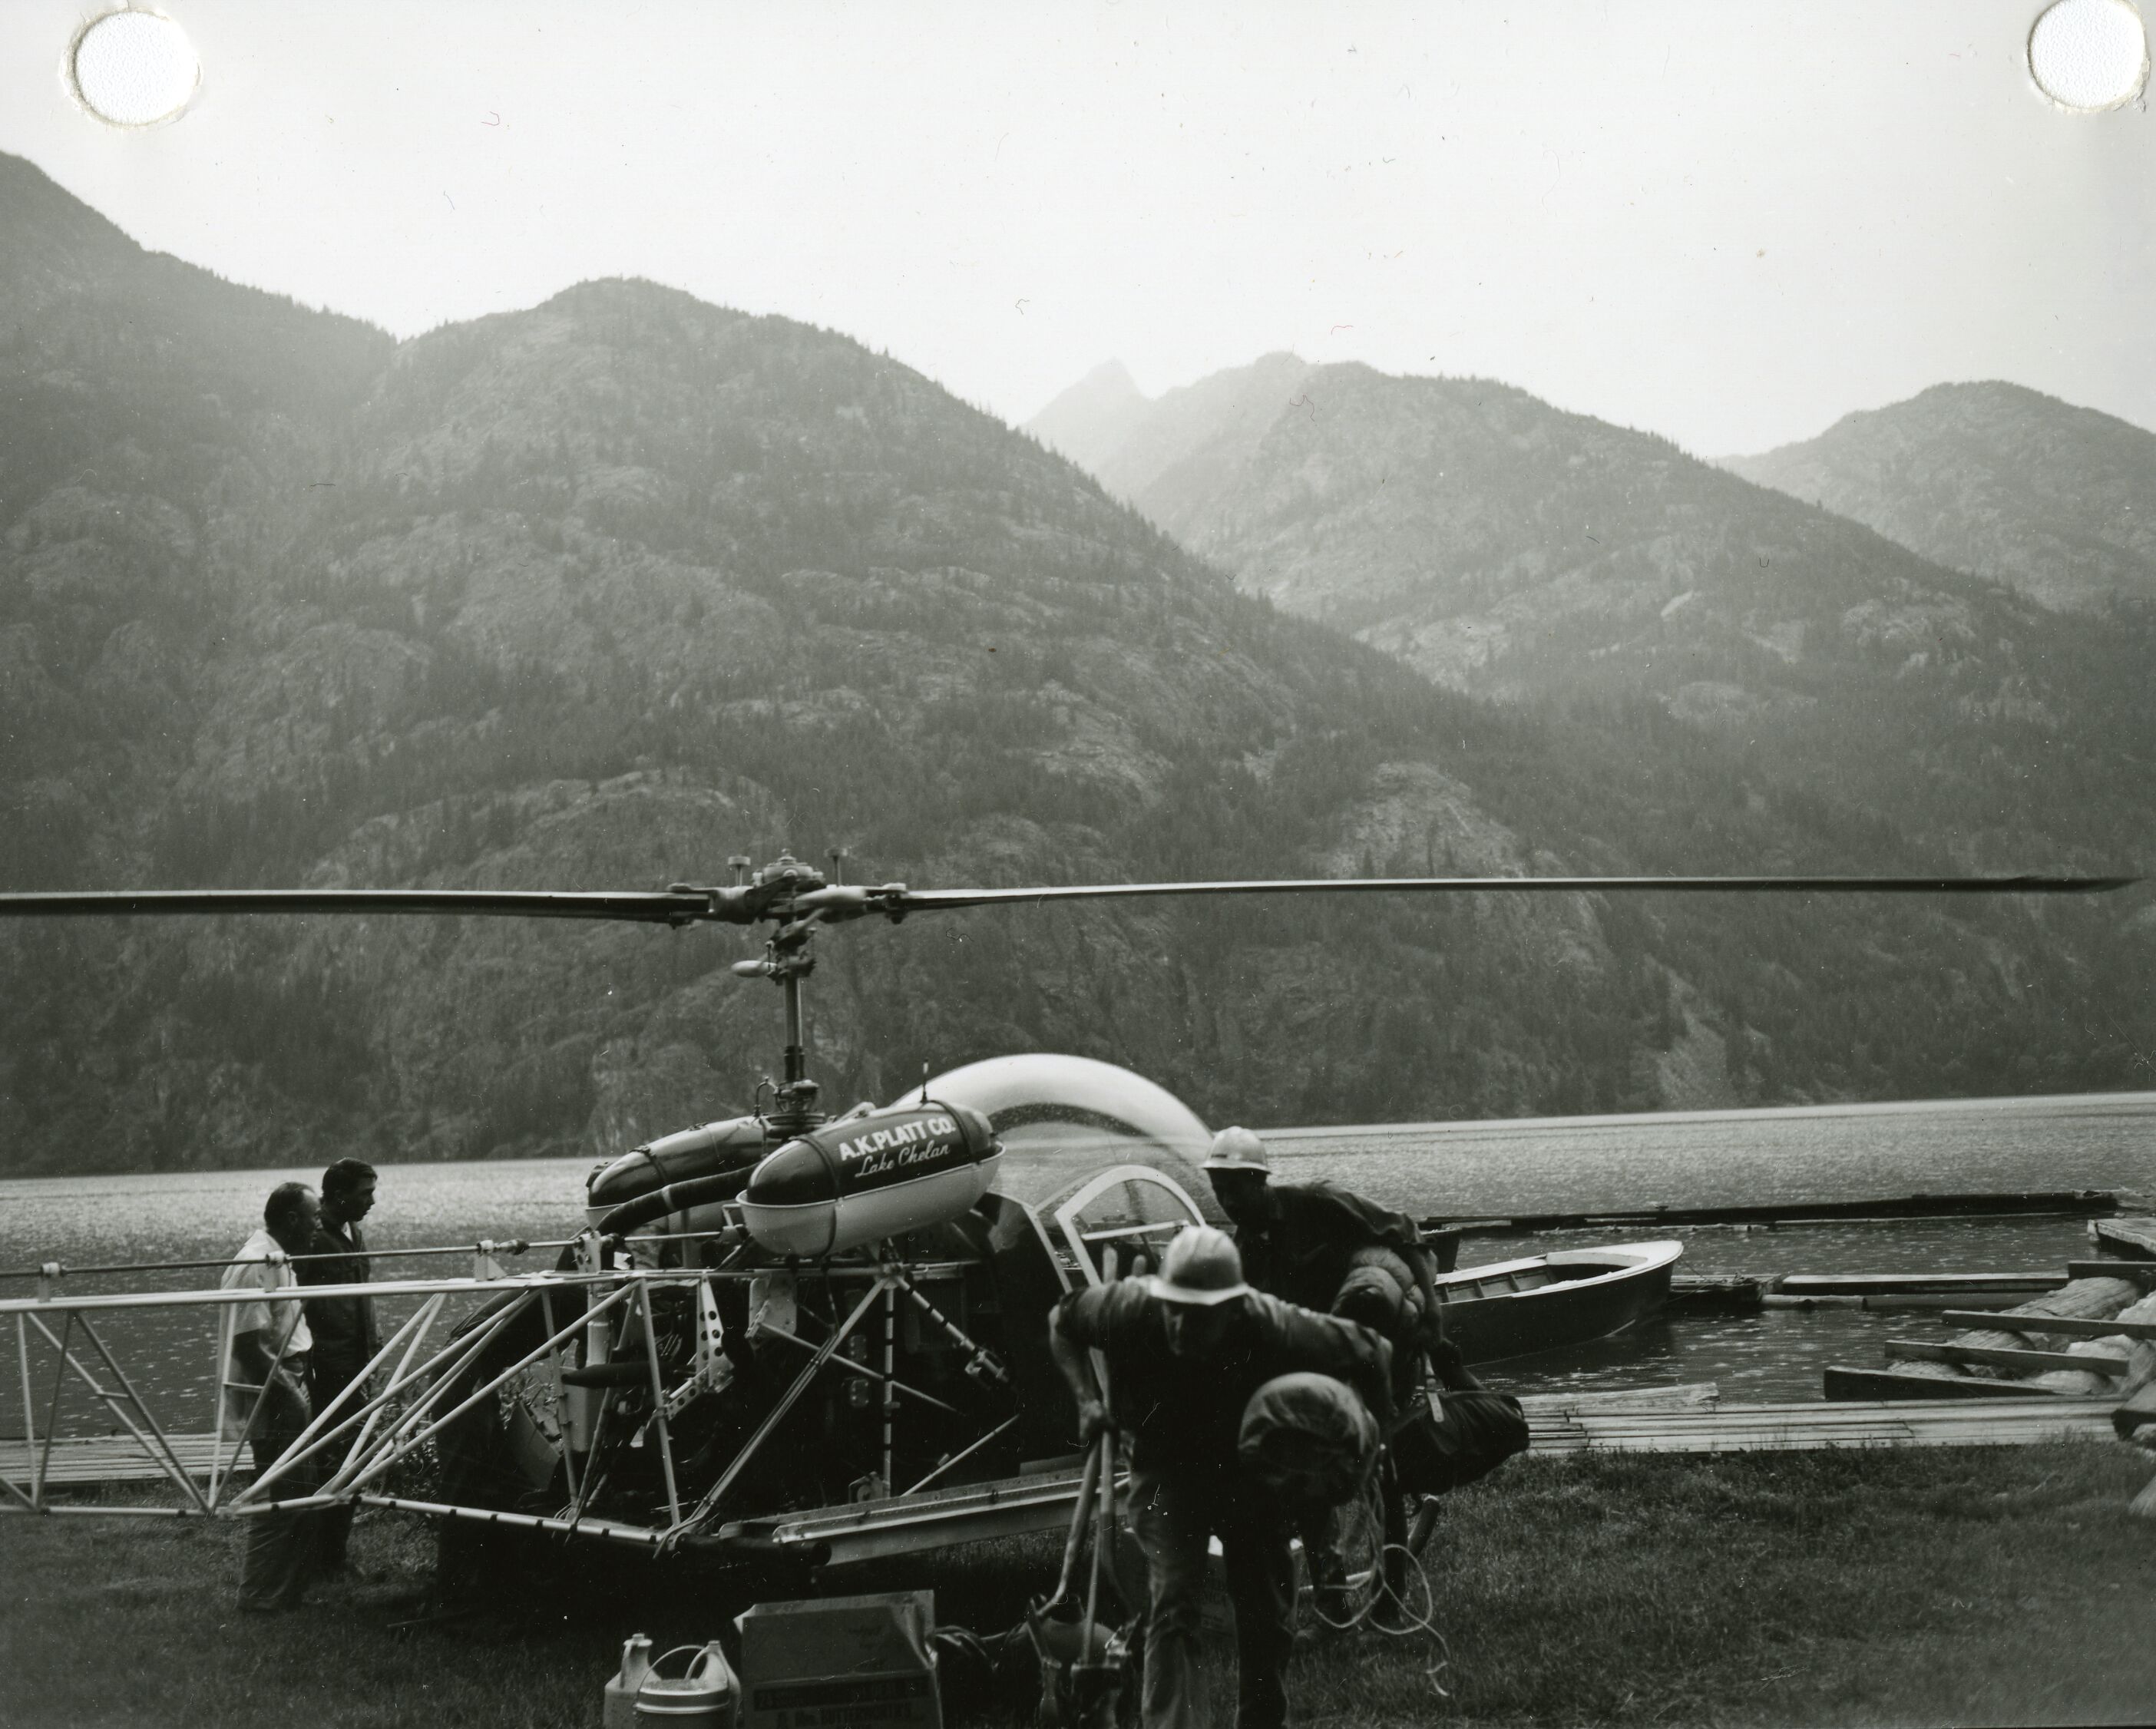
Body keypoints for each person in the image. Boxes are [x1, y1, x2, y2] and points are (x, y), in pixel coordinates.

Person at [1050, 1225, 1393, 1729]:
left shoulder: (1272, 1323)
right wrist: (1086, 1401)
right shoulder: (1129, 1307)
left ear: (1233, 1309)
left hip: (1247, 1473)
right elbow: (1062, 1321)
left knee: (1265, 1614)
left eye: (1198, 1317)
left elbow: (1375, 1351)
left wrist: (1373, 1441)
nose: (1181, 1326)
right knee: (1172, 1602)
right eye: (1175, 1310)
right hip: (1165, 1467)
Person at [1203, 1126, 1479, 1625]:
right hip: (1315, 1371)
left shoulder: (1317, 1205)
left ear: (1259, 1180)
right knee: (1306, 1478)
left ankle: (1391, 1597)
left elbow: (1406, 1233)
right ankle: (1332, 1600)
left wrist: (1433, 1323)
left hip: (1372, 1354)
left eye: (1234, 1188)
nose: (1227, 1202)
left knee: (1382, 1469)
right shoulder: (1242, 1250)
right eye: (1218, 1190)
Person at [221, 1181, 324, 1613]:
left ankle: (283, 1593)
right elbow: (249, 1346)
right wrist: (291, 1397)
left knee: (299, 1490)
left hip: (288, 1380)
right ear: (293, 1219)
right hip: (272, 1390)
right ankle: (258, 1595)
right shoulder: (255, 1263)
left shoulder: (279, 1256)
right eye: (314, 1217)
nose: (319, 1225)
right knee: (276, 1493)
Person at [297, 1156, 379, 1575]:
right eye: (365, 1194)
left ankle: (331, 1555)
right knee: (334, 1456)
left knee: (355, 1453)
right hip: (327, 1364)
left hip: (359, 1360)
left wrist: (375, 1349)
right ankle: (324, 1558)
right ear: (338, 1195)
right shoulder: (312, 1239)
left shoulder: (354, 1233)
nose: (372, 1202)